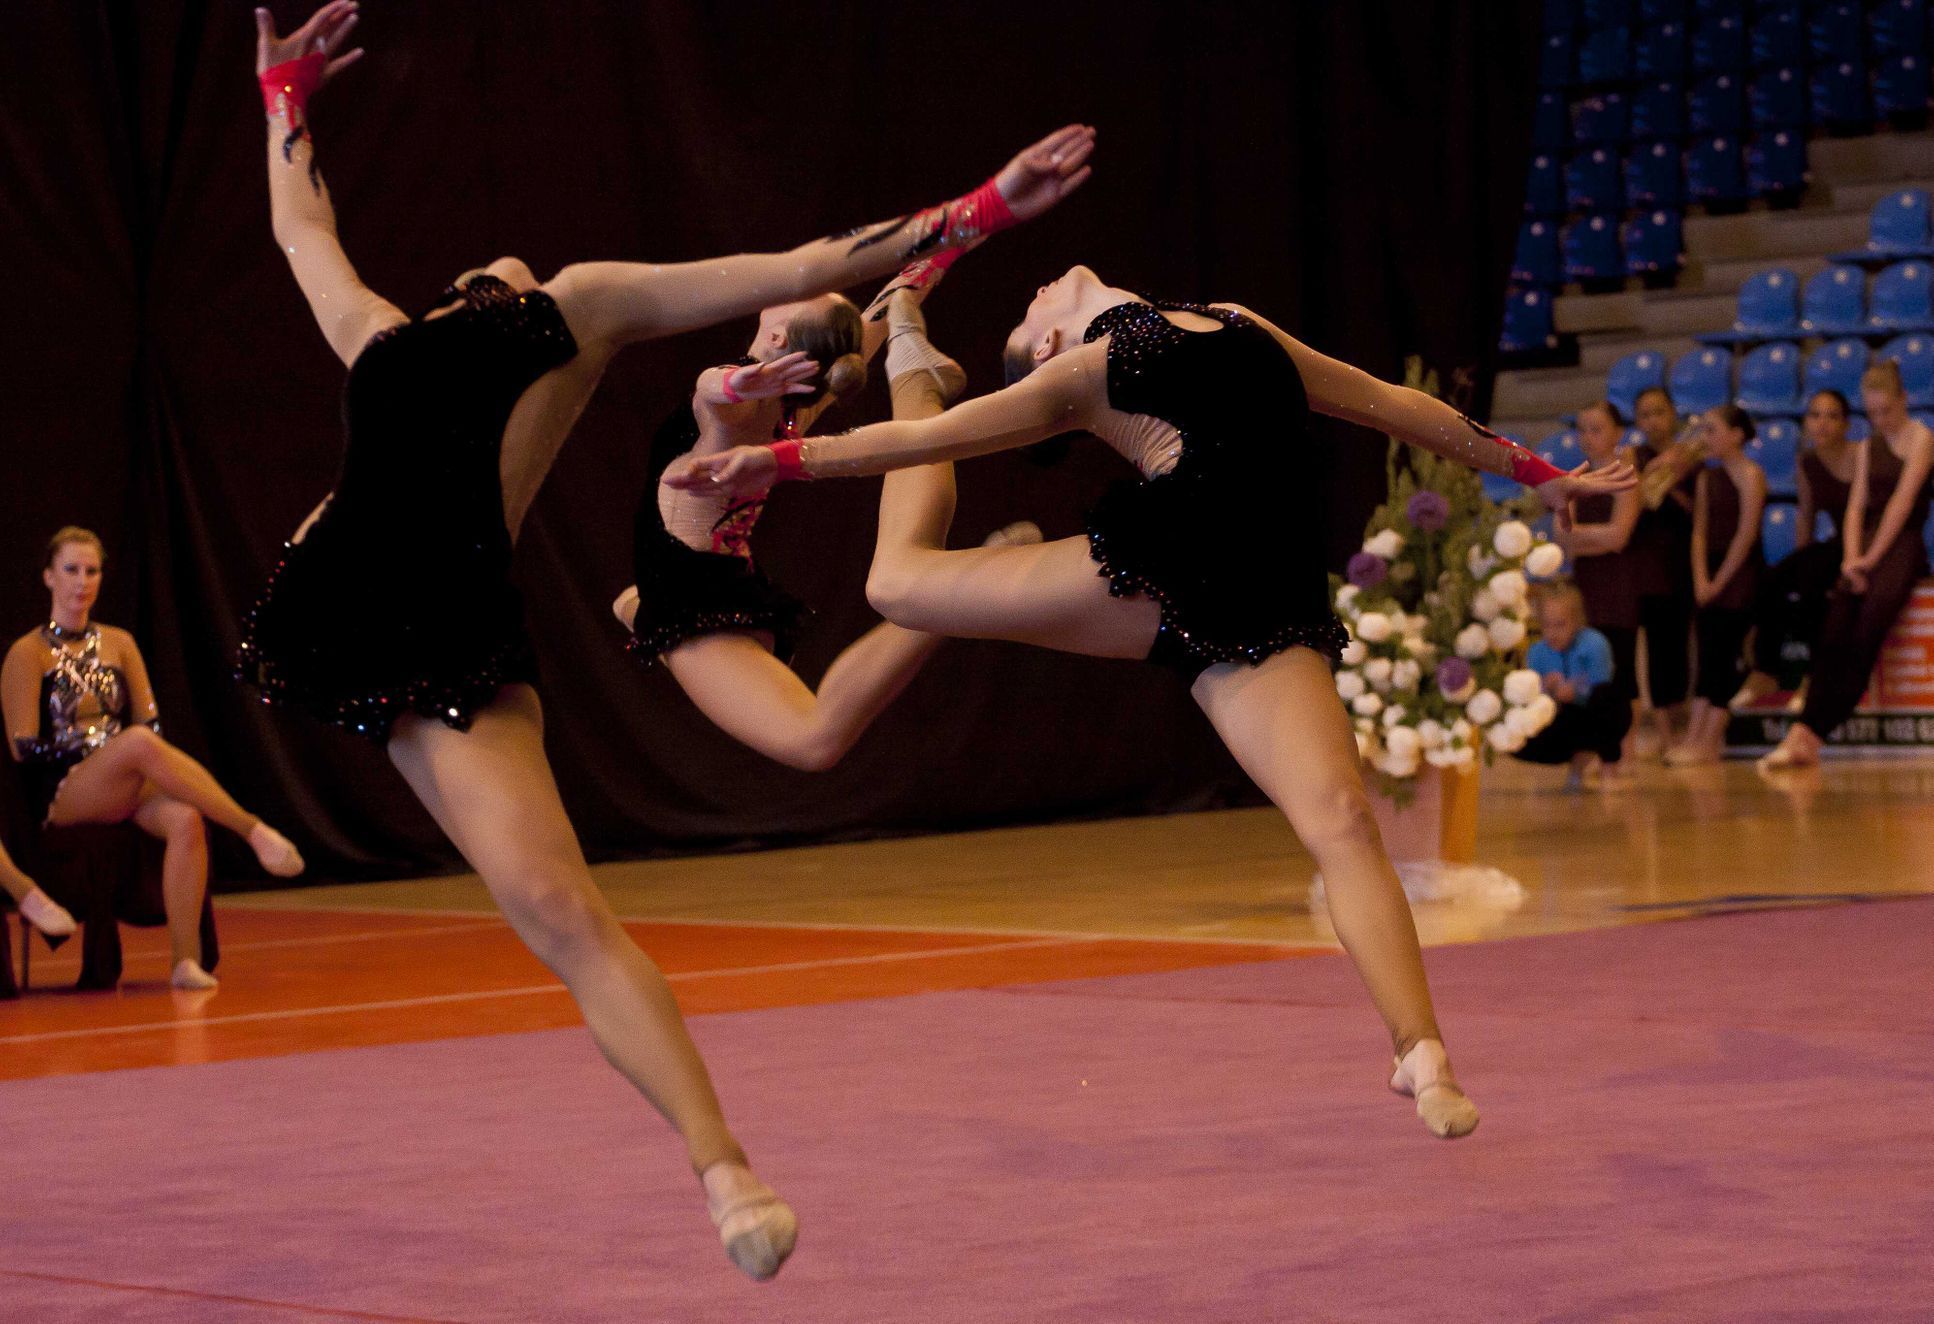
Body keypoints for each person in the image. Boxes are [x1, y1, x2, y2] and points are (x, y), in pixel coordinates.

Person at [235, 2, 1092, 1279]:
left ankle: (724, 1169)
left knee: (556, 909)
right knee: (577, 877)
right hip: (330, 610)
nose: (501, 257)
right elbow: (301, 225)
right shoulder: (380, 336)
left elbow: (796, 265)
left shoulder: (571, 310)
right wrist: (286, 96)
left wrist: (979, 210)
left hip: (449, 646)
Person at [670, 264, 1637, 1139]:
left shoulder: (1237, 320)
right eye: (1032, 303)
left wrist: (1537, 472)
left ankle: (1420, 1052)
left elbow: (1392, 404)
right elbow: (926, 442)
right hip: (1162, 561)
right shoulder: (1083, 367)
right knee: (896, 585)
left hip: (1261, 595)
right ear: (1046, 344)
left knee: (1342, 819)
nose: (1042, 286)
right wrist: (783, 462)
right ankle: (915, 353)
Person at [615, 258, 1038, 770]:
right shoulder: (791, 411)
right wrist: (972, 221)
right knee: (630, 603)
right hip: (713, 579)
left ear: (776, 340)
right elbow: (894, 301)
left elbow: (712, 388)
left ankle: (961, 593)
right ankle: (639, 607)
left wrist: (735, 386)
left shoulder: (741, 411)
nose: (805, 281)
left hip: (693, 608)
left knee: (814, 742)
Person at [4, 527, 304, 989]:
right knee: (137, 746)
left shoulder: (120, 643)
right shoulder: (28, 653)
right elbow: (22, 746)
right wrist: (97, 749)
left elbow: (151, 723)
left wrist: (126, 755)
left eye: (92, 571)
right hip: (64, 791)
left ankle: (185, 961)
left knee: (185, 819)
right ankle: (251, 829)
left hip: (124, 777)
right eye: (71, 570)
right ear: (48, 577)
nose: (82, 582)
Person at [1761, 361, 1934, 768]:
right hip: (1866, 545)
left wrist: (1869, 560)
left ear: (1904, 400)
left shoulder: (1921, 438)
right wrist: (1852, 559)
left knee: (1865, 634)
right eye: (1872, 413)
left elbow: (1901, 504)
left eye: (1887, 411)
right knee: (1835, 629)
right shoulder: (1868, 447)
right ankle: (1804, 730)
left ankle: (1812, 733)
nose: (1880, 420)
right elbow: (1856, 508)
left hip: (1903, 545)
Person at [1733, 389, 1858, 707]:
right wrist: (1799, 560)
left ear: (1846, 424)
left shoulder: (1861, 455)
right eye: (1815, 415)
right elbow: (1805, 514)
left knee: (1812, 590)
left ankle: (1813, 678)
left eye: (1831, 416)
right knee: (1773, 581)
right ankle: (1766, 671)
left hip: (1865, 541)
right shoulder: (1807, 461)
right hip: (1835, 544)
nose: (1822, 423)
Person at [1665, 406, 1766, 766]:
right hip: (1708, 571)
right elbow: (1700, 530)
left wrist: (1719, 582)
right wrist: (1700, 578)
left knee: (1723, 657)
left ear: (1737, 435)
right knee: (1706, 656)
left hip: (1738, 574)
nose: (1705, 438)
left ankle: (1708, 741)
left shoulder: (1751, 475)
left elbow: (1746, 535)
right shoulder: (1708, 478)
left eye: (1712, 430)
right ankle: (1694, 737)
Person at [1554, 400, 1643, 761]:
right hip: (1586, 582)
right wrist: (1594, 538)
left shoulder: (1625, 476)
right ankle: (1593, 744)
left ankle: (1627, 746)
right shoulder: (1573, 478)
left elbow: (1620, 536)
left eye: (1597, 429)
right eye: (1583, 429)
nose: (1588, 437)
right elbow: (1563, 537)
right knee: (1588, 664)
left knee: (1621, 666)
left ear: (1618, 433)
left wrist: (1582, 540)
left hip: (1619, 582)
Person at [1629, 386, 1698, 752]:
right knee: (1656, 642)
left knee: (1679, 640)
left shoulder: (1691, 457)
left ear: (1673, 413)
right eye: (1645, 414)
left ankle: (1682, 716)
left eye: (1659, 412)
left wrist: (1670, 480)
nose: (1653, 421)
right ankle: (1662, 727)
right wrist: (1653, 474)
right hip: (1647, 562)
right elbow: (1631, 506)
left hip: (1683, 558)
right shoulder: (1635, 459)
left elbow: (1697, 510)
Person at [1514, 583, 1632, 789]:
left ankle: (1608, 768)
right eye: (1546, 626)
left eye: (1560, 625)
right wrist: (1546, 691)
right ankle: (1576, 765)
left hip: (1592, 713)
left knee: (1608, 699)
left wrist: (1576, 692)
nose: (1552, 633)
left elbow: (1603, 690)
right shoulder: (1536, 653)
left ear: (1577, 622)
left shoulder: (1595, 644)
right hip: (1561, 718)